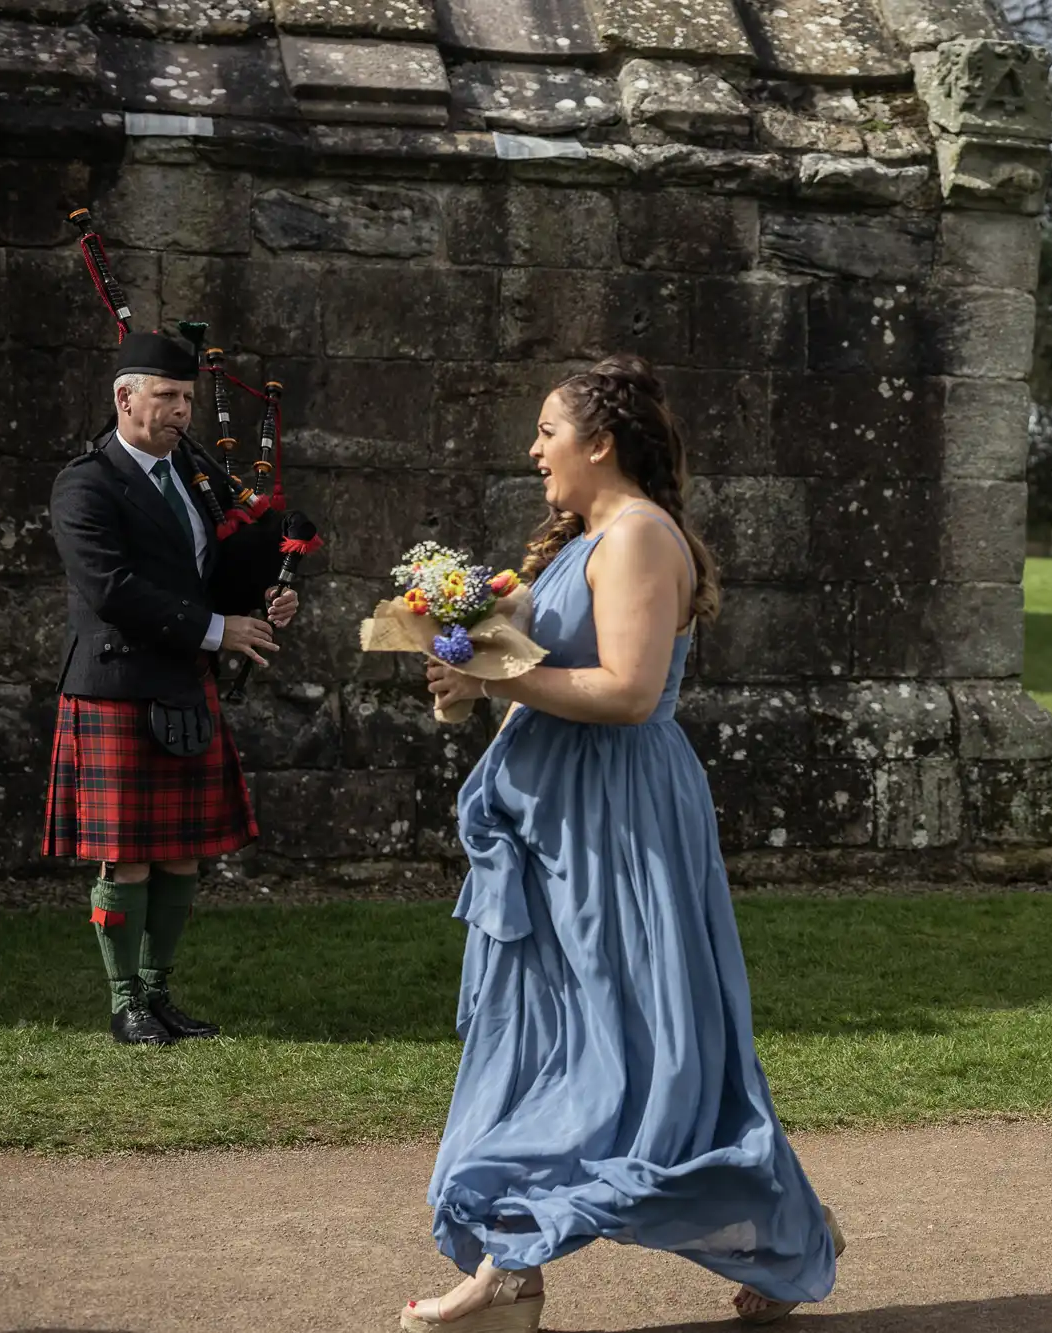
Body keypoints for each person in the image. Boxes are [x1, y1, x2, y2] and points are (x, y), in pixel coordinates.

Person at [404, 355, 841, 1331]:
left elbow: (630, 693)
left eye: (547, 431)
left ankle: (783, 1228)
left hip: (617, 825)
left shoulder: (639, 536)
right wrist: (468, 667)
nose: (533, 449)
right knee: (537, 1039)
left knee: (639, 1049)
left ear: (598, 442)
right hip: (551, 823)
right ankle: (508, 1274)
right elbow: (538, 665)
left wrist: (499, 680)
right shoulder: (580, 539)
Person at [43, 330, 296, 1046]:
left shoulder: (195, 478)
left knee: (183, 850)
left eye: (188, 397)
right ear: (125, 398)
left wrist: (264, 598)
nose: (183, 410)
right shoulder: (85, 482)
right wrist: (219, 630)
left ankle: (158, 994)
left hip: (182, 679)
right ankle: (125, 1001)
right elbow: (111, 587)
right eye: (168, 396)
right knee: (125, 853)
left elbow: (209, 573)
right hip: (118, 685)